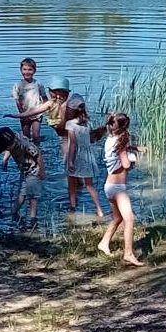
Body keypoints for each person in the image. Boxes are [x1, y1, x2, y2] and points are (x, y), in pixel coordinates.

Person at [98, 112, 142, 267]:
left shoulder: (110, 139)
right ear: (124, 127)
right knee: (130, 219)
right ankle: (128, 254)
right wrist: (132, 158)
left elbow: (119, 151)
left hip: (109, 186)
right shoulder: (121, 143)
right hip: (118, 188)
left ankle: (104, 243)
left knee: (118, 218)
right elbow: (126, 164)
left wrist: (134, 148)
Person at [0, 126, 46, 231]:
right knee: (22, 193)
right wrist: (5, 160)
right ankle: (14, 212)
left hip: (34, 171)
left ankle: (33, 218)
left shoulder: (25, 145)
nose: (6, 150)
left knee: (33, 196)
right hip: (24, 170)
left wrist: (42, 171)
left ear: (11, 144)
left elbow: (38, 154)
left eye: (6, 148)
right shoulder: (11, 141)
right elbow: (9, 150)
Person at [63, 100, 104, 219]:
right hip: (88, 156)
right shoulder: (87, 122)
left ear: (71, 111)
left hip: (77, 156)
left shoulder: (70, 124)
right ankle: (99, 209)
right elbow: (90, 139)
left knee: (72, 184)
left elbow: (73, 144)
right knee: (89, 185)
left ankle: (72, 208)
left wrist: (70, 161)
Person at [12, 58, 48, 142]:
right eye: (24, 69)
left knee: (36, 136)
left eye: (30, 69)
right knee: (26, 137)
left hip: (37, 114)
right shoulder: (18, 85)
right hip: (24, 114)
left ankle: (37, 148)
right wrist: (22, 114)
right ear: (21, 70)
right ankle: (27, 149)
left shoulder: (38, 84)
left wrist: (48, 111)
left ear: (34, 71)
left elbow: (44, 98)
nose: (27, 72)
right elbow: (17, 101)